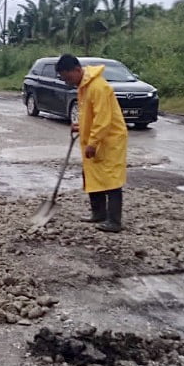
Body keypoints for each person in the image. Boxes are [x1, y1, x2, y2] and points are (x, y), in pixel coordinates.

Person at [55, 53, 128, 232]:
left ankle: (115, 222)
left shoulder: (98, 87)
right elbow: (92, 115)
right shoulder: (84, 86)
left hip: (109, 139)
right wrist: (80, 126)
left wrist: (93, 142)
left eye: (68, 77)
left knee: (111, 179)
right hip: (97, 137)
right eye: (64, 79)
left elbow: (104, 119)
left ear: (77, 70)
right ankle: (99, 214)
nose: (67, 82)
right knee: (90, 173)